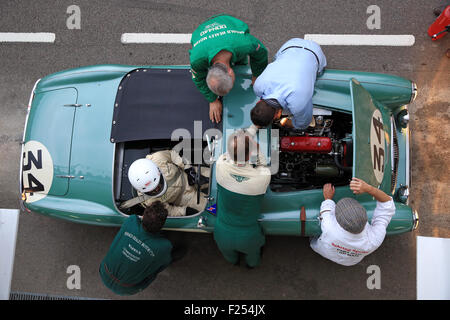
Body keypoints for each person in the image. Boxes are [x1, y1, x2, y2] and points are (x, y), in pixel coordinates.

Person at [189, 14, 268, 123]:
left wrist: (257, 75)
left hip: (229, 25)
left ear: (231, 71)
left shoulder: (243, 44)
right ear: (208, 71)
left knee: (242, 63)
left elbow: (261, 52)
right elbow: (198, 78)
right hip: (204, 35)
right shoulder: (197, 60)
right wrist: (212, 100)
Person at [214, 129, 271, 268]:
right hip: (249, 235)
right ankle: (251, 265)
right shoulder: (263, 176)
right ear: (250, 153)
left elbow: (228, 154)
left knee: (229, 256)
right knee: (253, 256)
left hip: (221, 232)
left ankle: (234, 262)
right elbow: (263, 164)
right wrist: (257, 150)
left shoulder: (220, 165)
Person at [310, 178, 396, 266]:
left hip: (325, 251)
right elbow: (387, 205)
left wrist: (328, 198)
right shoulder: (374, 240)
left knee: (313, 239)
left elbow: (327, 208)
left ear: (339, 222)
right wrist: (368, 189)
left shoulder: (329, 227)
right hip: (350, 262)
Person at [251, 38, 327, 129]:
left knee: (318, 74)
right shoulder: (258, 86)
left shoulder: (297, 103)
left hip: (315, 51)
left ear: (277, 114)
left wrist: (285, 123)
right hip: (289, 45)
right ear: (258, 102)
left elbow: (303, 123)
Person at [99, 201, 172, 295]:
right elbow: (163, 263)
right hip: (127, 289)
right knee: (163, 261)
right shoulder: (164, 246)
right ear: (161, 226)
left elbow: (135, 217)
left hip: (105, 272)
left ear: (144, 216)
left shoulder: (131, 220)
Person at [124, 149, 209, 217]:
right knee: (212, 208)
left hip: (190, 175)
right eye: (153, 190)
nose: (157, 189)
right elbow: (169, 210)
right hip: (186, 198)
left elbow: (173, 155)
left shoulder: (157, 158)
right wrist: (184, 211)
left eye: (157, 185)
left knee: (219, 175)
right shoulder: (149, 201)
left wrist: (188, 169)